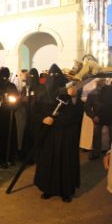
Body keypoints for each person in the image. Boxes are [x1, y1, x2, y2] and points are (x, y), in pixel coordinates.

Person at [34, 64, 84, 203]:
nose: (54, 79)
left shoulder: (69, 92)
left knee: (65, 162)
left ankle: (66, 191)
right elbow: (35, 111)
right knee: (49, 160)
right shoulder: (42, 94)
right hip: (49, 134)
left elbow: (79, 111)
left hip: (66, 134)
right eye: (51, 76)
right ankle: (47, 188)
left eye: (57, 76)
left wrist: (74, 98)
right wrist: (43, 119)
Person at [84, 79, 112, 160]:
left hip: (110, 116)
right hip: (98, 117)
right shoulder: (92, 93)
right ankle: (96, 153)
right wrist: (93, 116)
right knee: (96, 135)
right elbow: (86, 107)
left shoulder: (110, 90)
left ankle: (110, 154)